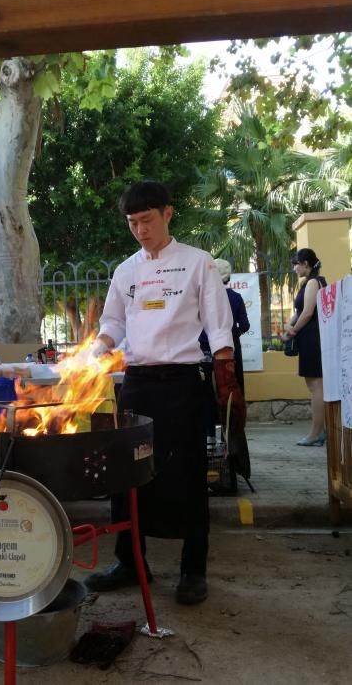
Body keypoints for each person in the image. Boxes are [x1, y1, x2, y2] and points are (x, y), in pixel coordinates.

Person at [84, 181, 244, 605]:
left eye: (147, 220)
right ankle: (130, 563)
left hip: (183, 382)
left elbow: (217, 323)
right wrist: (96, 350)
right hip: (136, 384)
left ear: (168, 214)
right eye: (133, 223)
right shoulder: (125, 270)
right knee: (126, 475)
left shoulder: (198, 263)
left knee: (186, 472)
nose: (140, 230)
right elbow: (113, 323)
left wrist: (226, 375)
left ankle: (194, 569)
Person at [200, 258, 250, 448]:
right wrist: (232, 334)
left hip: (204, 352)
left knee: (206, 395)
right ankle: (231, 440)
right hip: (229, 353)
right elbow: (245, 325)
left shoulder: (203, 298)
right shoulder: (236, 298)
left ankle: (209, 437)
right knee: (230, 394)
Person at [281, 248, 327, 446]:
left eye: (296, 264)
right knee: (315, 385)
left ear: (306, 264)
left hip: (312, 337)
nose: (294, 268)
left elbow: (308, 313)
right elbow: (300, 312)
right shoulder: (311, 283)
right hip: (310, 336)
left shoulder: (313, 283)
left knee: (316, 386)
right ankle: (320, 431)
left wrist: (292, 331)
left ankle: (316, 433)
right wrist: (290, 326)